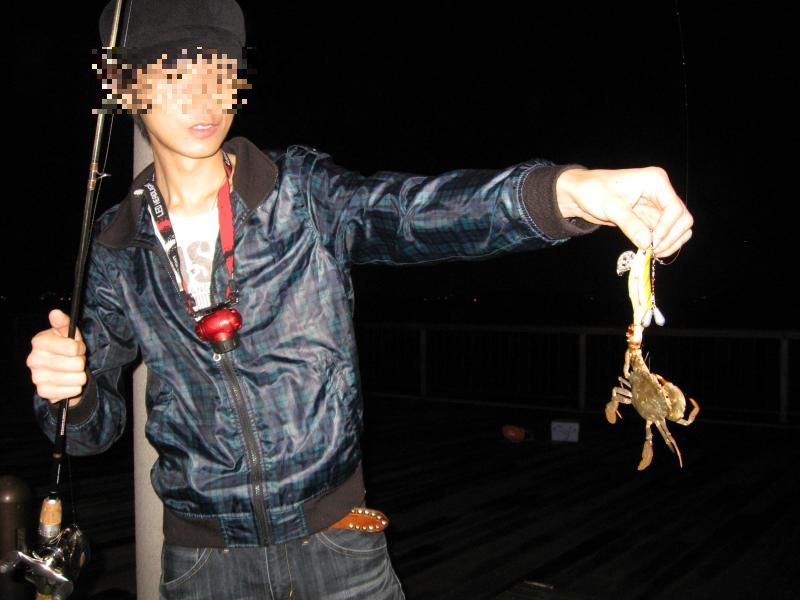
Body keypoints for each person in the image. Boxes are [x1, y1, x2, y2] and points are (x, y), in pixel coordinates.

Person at [26, 1, 694, 598]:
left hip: (341, 544)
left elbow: (414, 214)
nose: (205, 96)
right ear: (127, 88)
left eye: (219, 70)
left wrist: (568, 192)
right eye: (176, 73)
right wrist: (69, 392)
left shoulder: (301, 192)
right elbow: (89, 432)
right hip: (203, 564)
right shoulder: (115, 247)